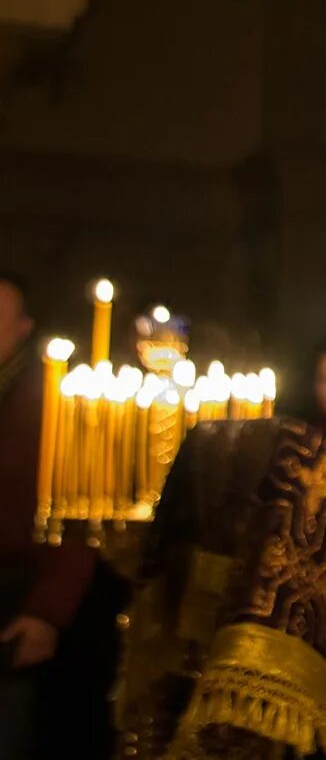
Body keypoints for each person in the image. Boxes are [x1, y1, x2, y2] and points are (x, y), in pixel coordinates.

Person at [0, 273, 97, 757]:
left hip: (16, 597)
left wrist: (46, 612)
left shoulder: (49, 403)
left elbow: (78, 513)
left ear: (23, 328)